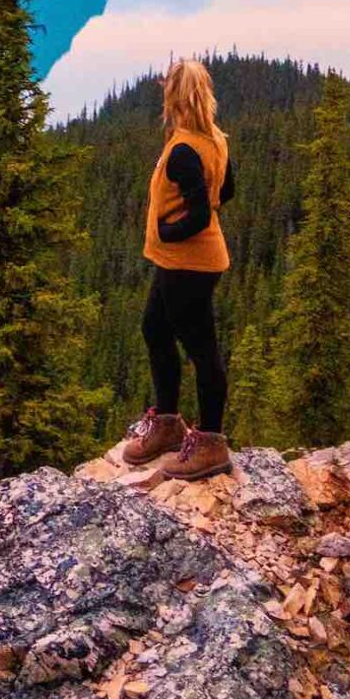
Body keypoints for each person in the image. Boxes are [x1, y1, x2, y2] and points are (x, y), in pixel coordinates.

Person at [121, 58, 235, 482]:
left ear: (175, 97)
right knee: (154, 328)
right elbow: (228, 191)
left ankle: (210, 442)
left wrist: (168, 231)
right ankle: (168, 422)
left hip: (188, 262)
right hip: (184, 262)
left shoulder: (185, 149)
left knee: (202, 348)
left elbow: (201, 215)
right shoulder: (214, 140)